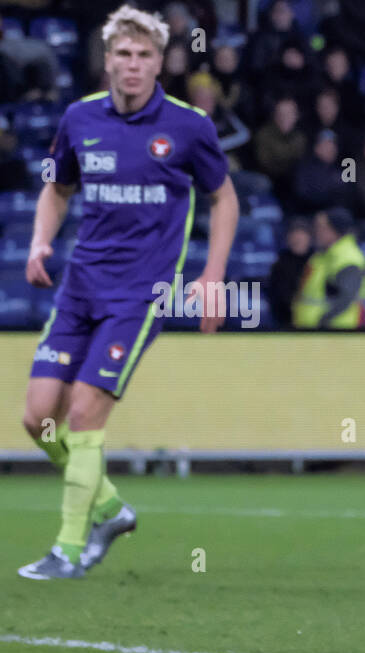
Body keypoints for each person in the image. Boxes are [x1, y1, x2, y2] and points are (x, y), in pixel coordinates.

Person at [20, 4, 237, 580]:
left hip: (139, 295)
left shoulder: (189, 126)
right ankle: (112, 509)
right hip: (79, 287)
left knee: (86, 415)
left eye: (145, 55)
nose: (134, 65)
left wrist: (212, 275)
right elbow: (55, 188)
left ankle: (67, 550)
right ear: (107, 60)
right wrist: (40, 241)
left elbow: (225, 199)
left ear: (159, 62)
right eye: (123, 54)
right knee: (39, 420)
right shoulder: (79, 118)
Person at [291, 208, 365, 329]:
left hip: (336, 331)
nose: (316, 232)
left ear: (334, 230)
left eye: (321, 227)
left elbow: (345, 298)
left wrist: (324, 321)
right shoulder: (323, 255)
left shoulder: (348, 258)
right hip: (311, 329)